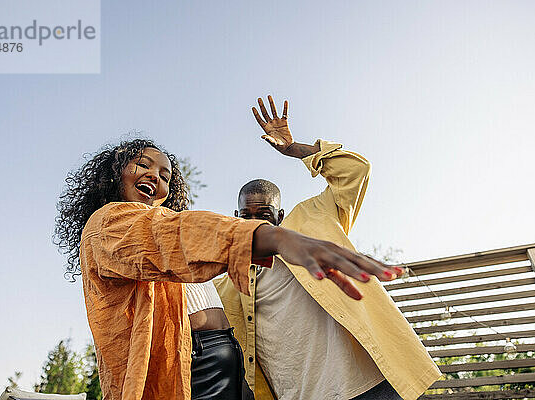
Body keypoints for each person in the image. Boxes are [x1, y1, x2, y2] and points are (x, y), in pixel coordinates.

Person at [53, 138, 400, 400]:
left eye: (164, 175)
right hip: (192, 370)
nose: (154, 177)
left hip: (231, 366)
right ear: (115, 174)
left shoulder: (198, 252)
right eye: (142, 165)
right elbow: (171, 235)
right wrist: (275, 239)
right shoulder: (108, 225)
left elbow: (183, 240)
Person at [215, 96, 441, 400]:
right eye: (246, 217)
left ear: (280, 217)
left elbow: (355, 171)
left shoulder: (313, 218)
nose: (254, 224)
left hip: (369, 386)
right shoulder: (229, 282)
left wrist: (295, 150)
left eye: (264, 216)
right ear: (236, 218)